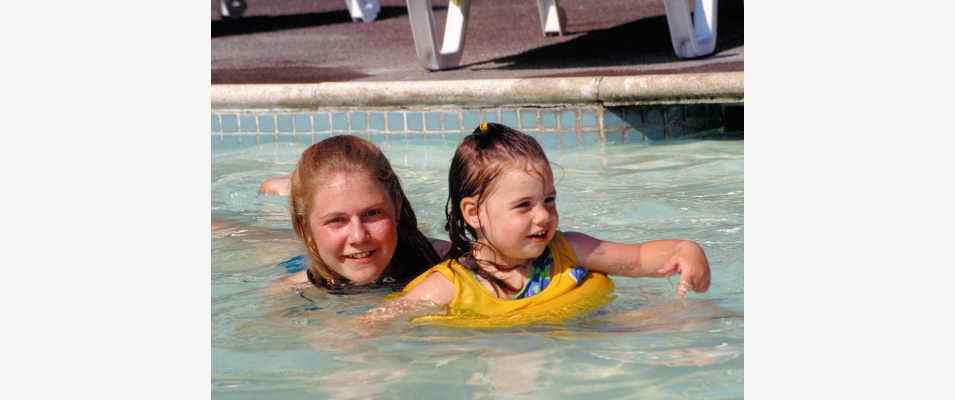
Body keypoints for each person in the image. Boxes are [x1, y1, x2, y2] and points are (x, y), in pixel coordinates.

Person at [372, 122, 710, 322]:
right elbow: (382, 321)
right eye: (524, 206)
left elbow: (638, 259)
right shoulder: (450, 285)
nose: (544, 216)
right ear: (473, 213)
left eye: (549, 200)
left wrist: (685, 250)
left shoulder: (569, 251)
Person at [272, 135, 449, 294]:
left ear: (396, 206)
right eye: (336, 220)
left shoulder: (452, 269)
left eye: (372, 213)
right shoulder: (290, 292)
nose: (358, 236)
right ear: (305, 227)